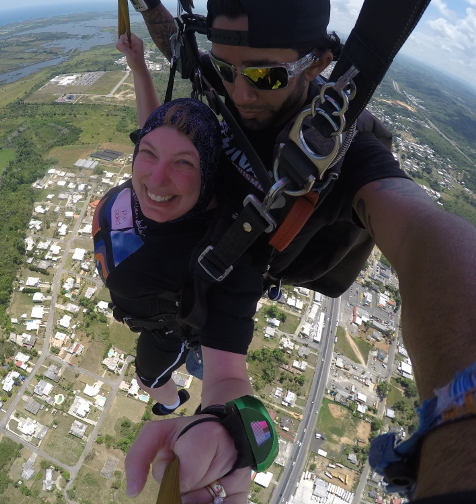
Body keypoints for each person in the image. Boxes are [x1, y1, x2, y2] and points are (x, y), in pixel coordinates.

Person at [124, 0, 476, 502]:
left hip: (256, 275)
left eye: (265, 76)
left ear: (317, 62)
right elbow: (178, 48)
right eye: (226, 69)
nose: (240, 90)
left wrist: (461, 429)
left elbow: (427, 235)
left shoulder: (348, 153)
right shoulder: (221, 83)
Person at [94, 33, 260, 417]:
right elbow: (154, 131)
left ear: (208, 177)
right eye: (148, 154)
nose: (156, 179)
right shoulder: (168, 192)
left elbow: (230, 378)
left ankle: (171, 403)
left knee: (148, 380)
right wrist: (139, 68)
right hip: (148, 304)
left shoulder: (225, 251)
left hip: (169, 329)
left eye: (184, 163)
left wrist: (221, 428)